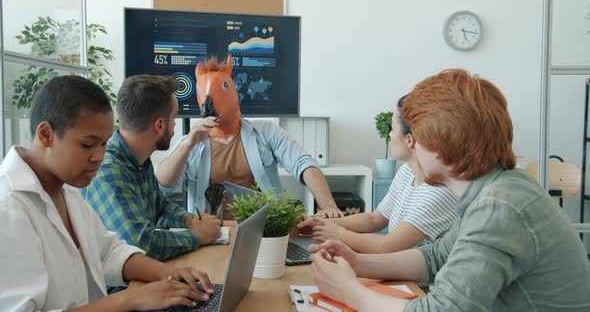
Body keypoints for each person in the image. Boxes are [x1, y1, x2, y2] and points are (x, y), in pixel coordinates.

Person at [309, 69, 590, 311]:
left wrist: (351, 292)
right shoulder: (498, 188)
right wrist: (357, 262)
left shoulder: (499, 207)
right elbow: (434, 257)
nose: (413, 147)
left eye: (417, 139)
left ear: (440, 150)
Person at [0, 76, 215, 311]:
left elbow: (108, 253)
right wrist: (131, 299)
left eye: (103, 144)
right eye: (87, 145)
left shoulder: (66, 189)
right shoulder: (8, 207)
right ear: (45, 134)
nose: (99, 157)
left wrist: (171, 274)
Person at [156, 56, 342, 219]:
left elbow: (303, 163)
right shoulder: (191, 143)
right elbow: (162, 186)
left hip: (264, 231)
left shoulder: (266, 132)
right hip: (209, 236)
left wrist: (328, 206)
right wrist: (186, 144)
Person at [82, 75, 221, 261]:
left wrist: (190, 221)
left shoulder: (139, 159)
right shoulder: (108, 171)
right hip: (117, 287)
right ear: (160, 125)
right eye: (174, 118)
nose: (174, 125)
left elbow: (160, 208)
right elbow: (140, 243)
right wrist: (197, 236)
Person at [297, 96, 457, 253]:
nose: (390, 135)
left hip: (417, 278)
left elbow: (387, 245)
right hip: (394, 270)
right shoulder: (407, 171)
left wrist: (339, 234)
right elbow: (375, 219)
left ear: (409, 140)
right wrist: (323, 223)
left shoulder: (439, 193)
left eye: (392, 129)